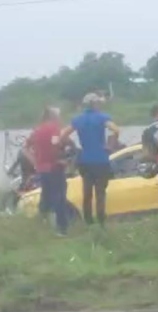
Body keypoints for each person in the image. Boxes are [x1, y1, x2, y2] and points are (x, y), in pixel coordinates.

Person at [60, 92, 120, 228]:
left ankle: (88, 220)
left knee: (86, 191)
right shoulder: (102, 117)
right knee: (100, 192)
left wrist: (73, 146)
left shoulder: (78, 119)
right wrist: (110, 145)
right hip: (101, 159)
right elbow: (116, 130)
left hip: (85, 160)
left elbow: (62, 134)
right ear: (95, 104)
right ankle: (101, 221)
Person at [26, 107, 72, 236]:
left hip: (42, 169)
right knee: (59, 197)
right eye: (59, 115)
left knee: (46, 195)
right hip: (54, 167)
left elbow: (25, 148)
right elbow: (55, 145)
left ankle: (42, 222)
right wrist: (61, 159)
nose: (60, 118)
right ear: (53, 116)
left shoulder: (37, 130)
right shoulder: (54, 129)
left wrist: (35, 162)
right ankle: (61, 228)